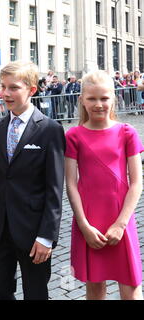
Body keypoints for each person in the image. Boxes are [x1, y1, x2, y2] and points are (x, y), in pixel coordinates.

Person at [0, 61, 65, 300]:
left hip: (33, 231)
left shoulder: (50, 130)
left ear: (32, 90)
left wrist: (47, 236)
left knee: (36, 293)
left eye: (13, 88)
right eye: (3, 87)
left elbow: (55, 189)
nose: (5, 93)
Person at [65, 70, 143, 300]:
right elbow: (70, 183)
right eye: (92, 98)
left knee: (131, 286)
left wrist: (121, 224)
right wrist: (84, 225)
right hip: (89, 219)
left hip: (121, 218)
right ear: (82, 100)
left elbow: (137, 183)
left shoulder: (126, 132)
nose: (99, 104)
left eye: (104, 98)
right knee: (95, 287)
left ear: (114, 98)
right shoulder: (74, 136)